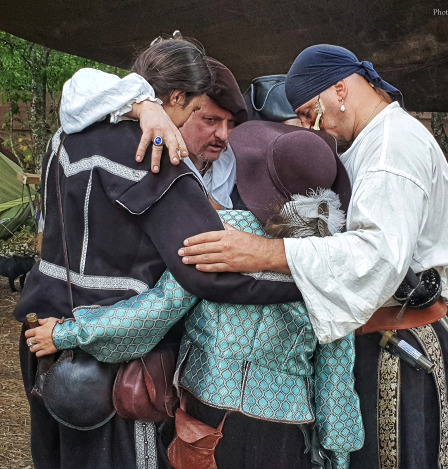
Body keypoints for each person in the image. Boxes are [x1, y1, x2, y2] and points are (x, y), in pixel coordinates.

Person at [177, 45, 448, 469]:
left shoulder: (392, 150)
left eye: (307, 113)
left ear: (340, 90)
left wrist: (263, 251)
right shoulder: (368, 139)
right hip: (365, 341)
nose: (304, 126)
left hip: (400, 348)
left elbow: (376, 258)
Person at [14, 39, 302, 469]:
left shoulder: (66, 136)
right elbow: (203, 271)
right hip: (114, 363)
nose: (185, 123)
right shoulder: (158, 156)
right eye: (193, 111)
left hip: (42, 339)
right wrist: (303, 280)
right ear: (175, 97)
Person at [26, 120, 364, 469]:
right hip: (289, 428)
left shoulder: (221, 236)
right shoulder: (332, 261)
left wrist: (68, 333)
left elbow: (161, 307)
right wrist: (337, 455)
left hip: (207, 418)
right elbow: (336, 372)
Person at [60, 53, 247, 209]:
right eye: (209, 119)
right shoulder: (136, 142)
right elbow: (80, 86)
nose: (223, 135)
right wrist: (144, 106)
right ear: (178, 98)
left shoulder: (227, 159)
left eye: (231, 123)